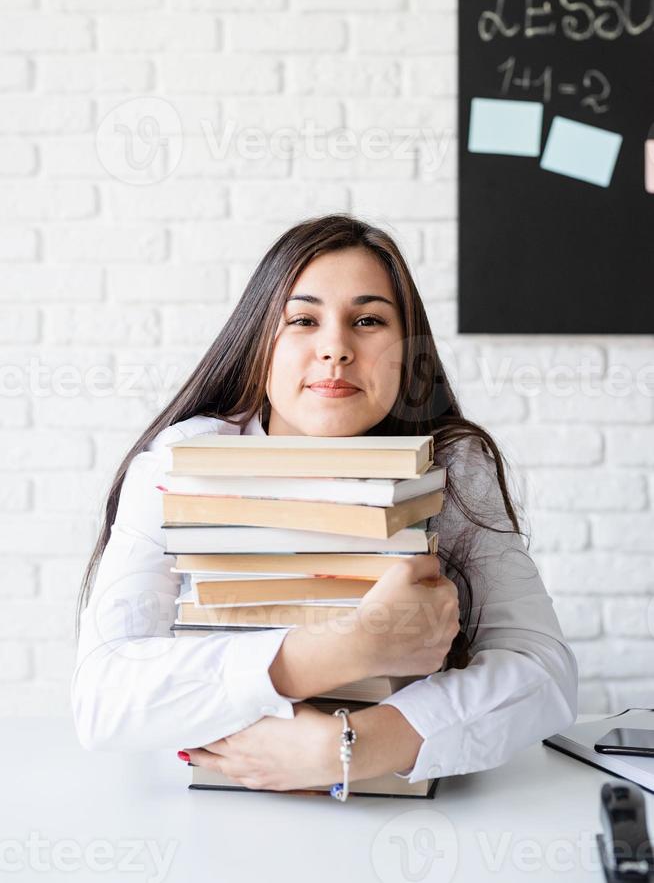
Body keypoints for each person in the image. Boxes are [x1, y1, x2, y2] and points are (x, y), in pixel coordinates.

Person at [71, 213, 577, 792]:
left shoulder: (450, 468)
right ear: (260, 342)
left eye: (367, 320)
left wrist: (351, 748)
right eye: (303, 320)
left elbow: (543, 670)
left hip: (410, 815)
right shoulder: (177, 466)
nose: (335, 349)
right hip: (212, 817)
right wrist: (353, 647)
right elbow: (103, 697)